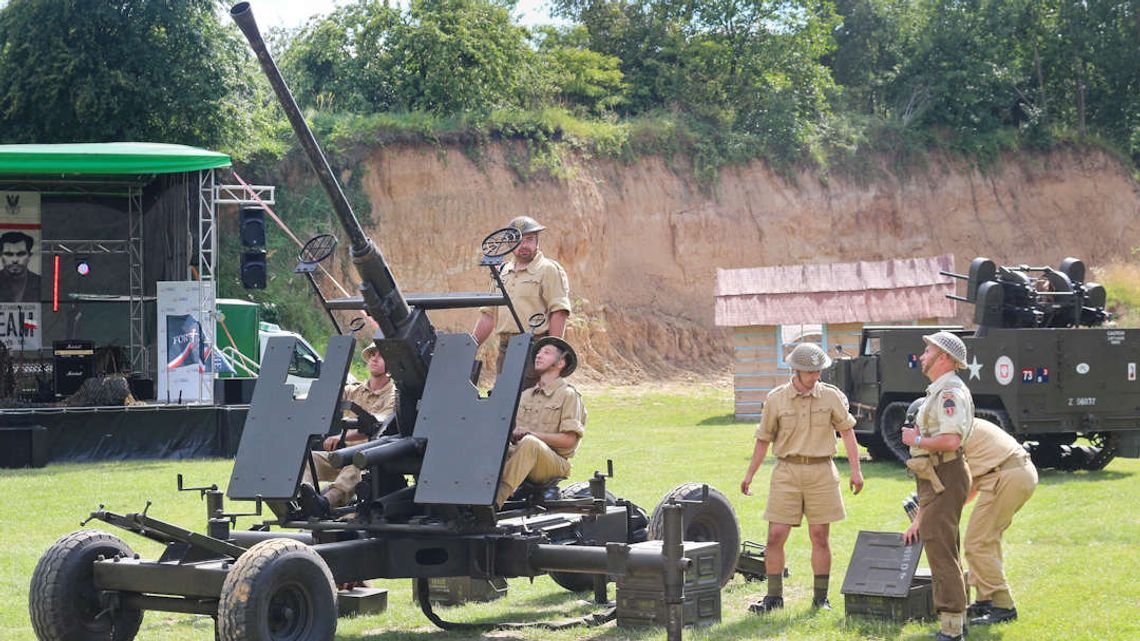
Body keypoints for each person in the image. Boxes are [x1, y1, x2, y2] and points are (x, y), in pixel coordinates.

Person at [740, 342, 865, 613]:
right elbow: (763, 439)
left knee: (820, 535)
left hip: (822, 471)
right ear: (795, 370)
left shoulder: (831, 397)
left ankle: (821, 598)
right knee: (775, 536)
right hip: (787, 471)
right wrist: (750, 474)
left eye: (819, 371)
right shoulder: (776, 399)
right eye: (811, 372)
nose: (816, 376)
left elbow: (847, 432)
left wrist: (856, 470)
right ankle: (774, 597)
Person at [906, 417, 1037, 626]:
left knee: (978, 543)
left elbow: (945, 481)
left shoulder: (950, 430)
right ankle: (985, 601)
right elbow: (967, 485)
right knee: (986, 540)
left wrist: (923, 518)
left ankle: (1004, 606)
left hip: (1004, 475)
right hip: (1012, 472)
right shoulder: (962, 421)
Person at [901, 331, 974, 641]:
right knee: (946, 547)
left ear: (944, 357)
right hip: (938, 473)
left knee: (940, 550)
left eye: (928, 350)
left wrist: (915, 440)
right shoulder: (940, 390)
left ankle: (951, 629)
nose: (922, 355)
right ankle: (958, 621)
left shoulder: (949, 393)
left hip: (944, 472)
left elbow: (951, 440)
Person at [473, 216, 571, 388]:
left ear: (537, 241)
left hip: (534, 348)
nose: (524, 245)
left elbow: (559, 311)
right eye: (518, 240)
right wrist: (470, 347)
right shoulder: (501, 272)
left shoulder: (548, 269)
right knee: (504, 404)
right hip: (506, 349)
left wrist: (551, 353)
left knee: (531, 404)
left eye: (530, 239)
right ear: (510, 244)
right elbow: (488, 316)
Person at [299, 343, 396, 514]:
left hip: (371, 457)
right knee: (307, 459)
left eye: (381, 355)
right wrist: (298, 399)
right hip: (342, 456)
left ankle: (326, 503)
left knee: (357, 463)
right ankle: (307, 498)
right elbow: (325, 395)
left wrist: (342, 437)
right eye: (372, 354)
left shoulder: (394, 396)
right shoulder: (354, 391)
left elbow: (379, 425)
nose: (374, 358)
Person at [494, 336, 585, 509]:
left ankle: (495, 501)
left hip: (553, 462)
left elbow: (569, 441)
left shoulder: (568, 395)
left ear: (560, 363)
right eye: (538, 353)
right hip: (521, 454)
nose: (539, 355)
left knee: (530, 443)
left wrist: (532, 435)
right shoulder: (525, 395)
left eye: (547, 352)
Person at [0, 231, 42, 302]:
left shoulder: (41, 283)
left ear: (29, 256)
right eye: (9, 254)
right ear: (1, 256)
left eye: (21, 254)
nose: (15, 260)